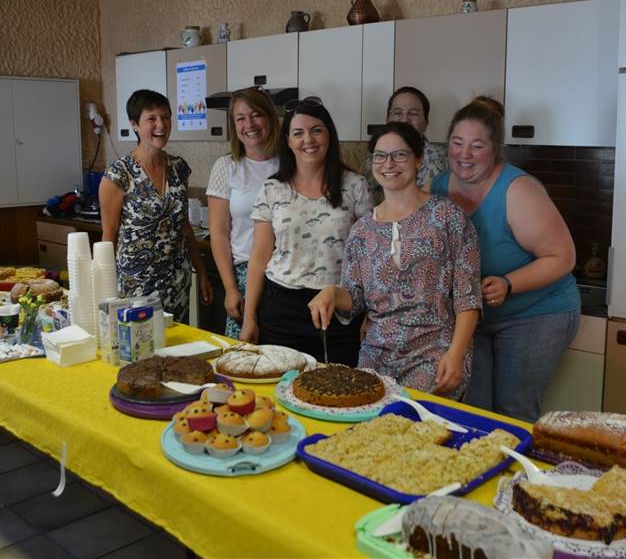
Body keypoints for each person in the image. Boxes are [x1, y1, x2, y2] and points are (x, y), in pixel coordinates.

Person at [430, 96, 580, 421]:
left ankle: (518, 472)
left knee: (514, 411)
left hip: (535, 315)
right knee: (475, 409)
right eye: (457, 143)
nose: (464, 155)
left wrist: (509, 284)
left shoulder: (518, 191)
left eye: (477, 146)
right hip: (475, 317)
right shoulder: (440, 185)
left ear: (495, 148)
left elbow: (563, 257)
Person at [309, 122, 481, 398]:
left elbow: (468, 297)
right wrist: (330, 294)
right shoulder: (362, 230)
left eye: (399, 155)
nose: (388, 163)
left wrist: (457, 354)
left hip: (435, 353)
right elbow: (356, 299)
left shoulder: (448, 217)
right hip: (376, 356)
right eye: (380, 155)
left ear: (419, 159)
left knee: (408, 425)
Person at [240, 98, 372, 365]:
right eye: (298, 133)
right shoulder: (272, 188)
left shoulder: (355, 186)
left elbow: (369, 259)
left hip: (339, 309)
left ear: (329, 136)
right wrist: (249, 318)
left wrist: (371, 314)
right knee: (279, 388)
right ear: (288, 141)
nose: (308, 139)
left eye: (316, 130)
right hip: (281, 307)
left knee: (337, 394)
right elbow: (259, 257)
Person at [100, 89, 212, 323]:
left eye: (166, 117)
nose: (161, 124)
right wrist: (104, 289)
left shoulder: (178, 167)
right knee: (140, 352)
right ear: (135, 124)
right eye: (151, 118)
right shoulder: (119, 175)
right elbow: (108, 238)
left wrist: (202, 272)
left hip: (177, 282)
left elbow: (185, 227)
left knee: (177, 350)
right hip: (136, 285)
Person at [206, 88, 280, 339]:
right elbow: (218, 233)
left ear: (270, 117)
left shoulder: (291, 164)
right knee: (243, 357)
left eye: (256, 115)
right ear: (234, 126)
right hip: (243, 274)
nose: (249, 124)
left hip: (285, 275)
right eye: (240, 118)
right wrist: (229, 289)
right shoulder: (226, 167)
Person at [361, 86, 448, 204]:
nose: (404, 119)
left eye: (413, 113)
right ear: (387, 119)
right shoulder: (373, 156)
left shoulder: (444, 158)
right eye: (397, 113)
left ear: (426, 123)